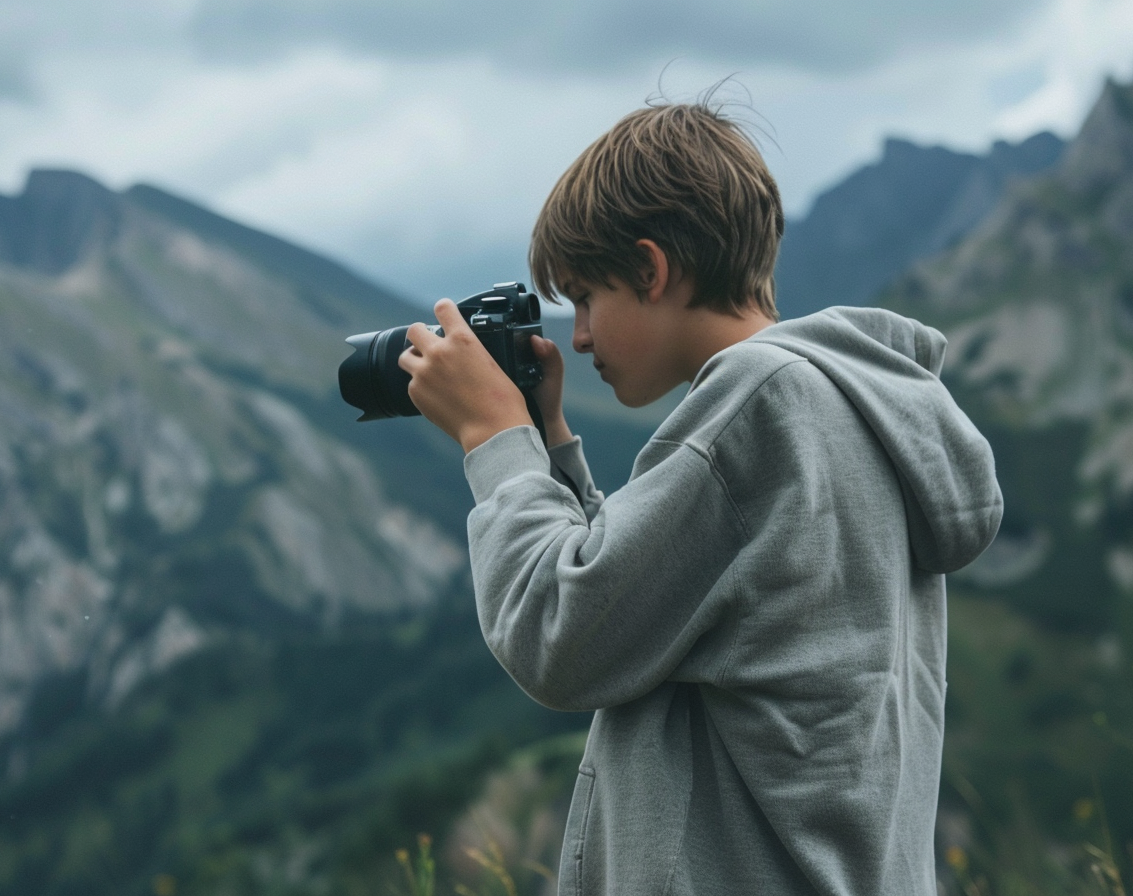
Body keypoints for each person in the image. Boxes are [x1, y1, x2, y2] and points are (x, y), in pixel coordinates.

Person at [397, 101, 1003, 895]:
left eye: (586, 298)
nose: (577, 337)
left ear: (651, 270)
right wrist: (549, 448)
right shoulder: (843, 407)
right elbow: (644, 600)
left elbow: (561, 634)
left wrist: (493, 439)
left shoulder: (759, 405)